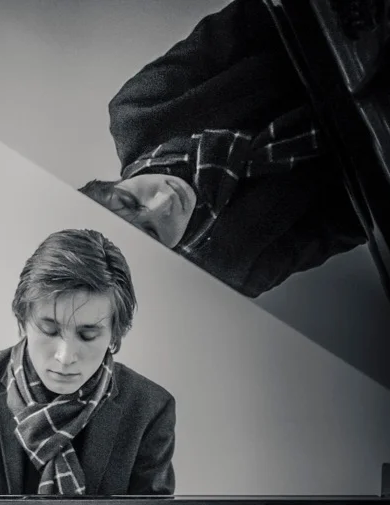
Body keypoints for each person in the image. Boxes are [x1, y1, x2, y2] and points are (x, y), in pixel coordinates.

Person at [79, 0, 367, 298]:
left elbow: (250, 20)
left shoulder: (137, 109)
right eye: (152, 234)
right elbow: (350, 221)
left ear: (106, 184)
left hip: (343, 33)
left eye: (129, 201)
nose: (165, 201)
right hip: (372, 137)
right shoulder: (233, 271)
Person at [0, 229, 176, 496]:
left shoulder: (150, 408)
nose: (65, 357)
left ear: (115, 334)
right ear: (23, 320)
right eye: (49, 330)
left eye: (87, 335)